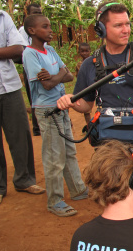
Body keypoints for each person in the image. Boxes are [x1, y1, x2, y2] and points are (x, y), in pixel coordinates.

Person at [56, 2, 133, 224]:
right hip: (110, 150)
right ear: (101, 29)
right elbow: (86, 104)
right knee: (116, 204)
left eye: (127, 24)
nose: (126, 30)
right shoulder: (91, 64)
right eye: (118, 25)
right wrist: (70, 102)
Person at [23, 14, 88, 217]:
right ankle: (55, 200)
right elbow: (47, 84)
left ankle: (77, 189)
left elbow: (67, 75)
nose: (51, 30)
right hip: (47, 110)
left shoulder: (50, 50)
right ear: (32, 31)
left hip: (61, 107)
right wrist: (58, 75)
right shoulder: (29, 54)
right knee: (54, 157)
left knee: (69, 151)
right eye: (45, 26)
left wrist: (56, 75)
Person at [0, 7, 45, 207]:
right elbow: (10, 51)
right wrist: (1, 53)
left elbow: (18, 49)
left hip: (10, 86)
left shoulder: (2, 16)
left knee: (20, 135)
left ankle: (24, 180)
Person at [19, 3, 43, 136]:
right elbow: (22, 49)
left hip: (44, 66)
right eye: (34, 12)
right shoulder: (23, 30)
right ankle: (37, 128)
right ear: (27, 13)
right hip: (30, 67)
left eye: (39, 12)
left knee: (44, 94)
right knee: (34, 96)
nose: (37, 15)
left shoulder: (42, 27)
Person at [75, 42, 91, 126]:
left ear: (90, 51)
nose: (84, 53)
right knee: (86, 110)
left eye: (86, 51)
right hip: (85, 89)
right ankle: (89, 126)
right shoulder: (79, 65)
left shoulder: (94, 62)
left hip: (95, 87)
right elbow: (78, 78)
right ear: (79, 52)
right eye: (82, 51)